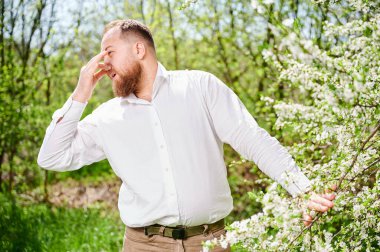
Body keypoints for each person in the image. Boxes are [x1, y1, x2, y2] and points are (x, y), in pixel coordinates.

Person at [37, 19, 336, 252]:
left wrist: (304, 190)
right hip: (143, 246)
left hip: (210, 242)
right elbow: (52, 156)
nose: (102, 63)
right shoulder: (107, 116)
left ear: (139, 49)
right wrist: (81, 91)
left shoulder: (200, 87)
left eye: (110, 52)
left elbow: (252, 139)